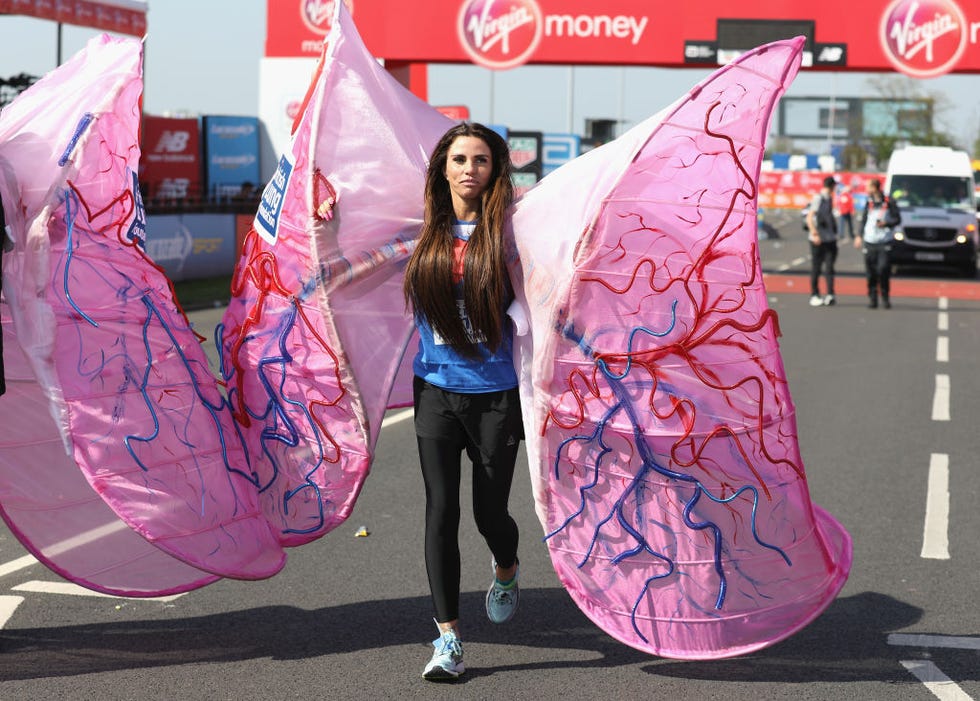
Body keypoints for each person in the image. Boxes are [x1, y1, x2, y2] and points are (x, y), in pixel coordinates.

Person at [402, 122, 524, 681]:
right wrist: (322, 220)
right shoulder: (422, 229)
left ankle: (505, 567)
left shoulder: (514, 231)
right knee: (440, 511)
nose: (469, 167)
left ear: (495, 169)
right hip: (435, 389)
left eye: (480, 159)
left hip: (496, 395)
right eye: (459, 158)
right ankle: (447, 639)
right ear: (443, 168)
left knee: (488, 514)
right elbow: (348, 257)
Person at [854, 178, 901, 309]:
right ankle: (872, 298)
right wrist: (859, 236)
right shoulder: (868, 202)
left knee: (883, 269)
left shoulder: (889, 201)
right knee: (871, 272)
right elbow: (864, 219)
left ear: (875, 188)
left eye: (868, 187)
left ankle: (885, 296)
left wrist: (886, 223)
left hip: (884, 241)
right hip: (870, 241)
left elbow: (898, 219)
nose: (866, 189)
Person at [806, 176, 839, 306]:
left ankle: (830, 294)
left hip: (829, 238)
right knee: (816, 267)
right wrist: (815, 233)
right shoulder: (818, 198)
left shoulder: (829, 198)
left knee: (830, 268)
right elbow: (810, 217)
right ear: (831, 187)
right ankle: (814, 294)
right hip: (818, 239)